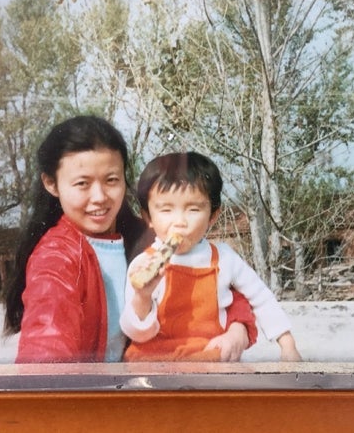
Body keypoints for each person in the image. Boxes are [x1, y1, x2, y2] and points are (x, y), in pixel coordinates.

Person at [3, 116, 257, 363]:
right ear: (51, 183)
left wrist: (239, 328)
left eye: (111, 180)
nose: (100, 196)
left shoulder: (149, 241)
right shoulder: (56, 257)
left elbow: (221, 283)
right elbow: (47, 344)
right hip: (92, 397)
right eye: (82, 184)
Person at [120, 151, 302, 362]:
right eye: (166, 210)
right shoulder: (143, 265)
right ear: (148, 217)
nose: (179, 222)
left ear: (212, 216)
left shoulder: (225, 258)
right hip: (153, 363)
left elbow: (261, 297)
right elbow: (136, 333)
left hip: (207, 359)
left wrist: (287, 344)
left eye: (193, 209)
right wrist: (142, 297)